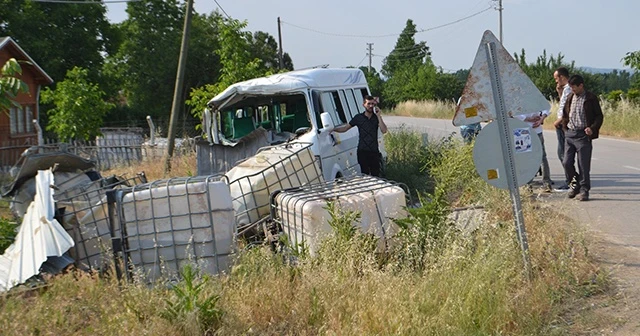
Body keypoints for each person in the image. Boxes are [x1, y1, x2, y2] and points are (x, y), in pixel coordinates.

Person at [561, 74, 604, 201]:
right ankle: (574, 186)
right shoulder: (570, 97)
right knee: (567, 163)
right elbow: (565, 114)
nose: (572, 90)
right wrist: (565, 128)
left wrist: (592, 128)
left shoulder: (590, 98)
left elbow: (599, 116)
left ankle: (584, 190)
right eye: (571, 87)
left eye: (574, 87)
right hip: (570, 134)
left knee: (583, 165)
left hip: (583, 136)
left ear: (581, 85)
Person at [332, 95, 388, 176]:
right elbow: (345, 128)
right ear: (364, 105)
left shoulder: (376, 118)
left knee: (376, 176)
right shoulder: (358, 118)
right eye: (368, 104)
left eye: (372, 104)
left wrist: (379, 116)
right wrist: (333, 129)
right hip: (362, 151)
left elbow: (384, 130)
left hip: (374, 151)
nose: (371, 106)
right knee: (365, 175)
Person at [516, 110, 553, 192]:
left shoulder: (517, 98)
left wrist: (530, 119)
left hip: (523, 131)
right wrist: (541, 118)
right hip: (533, 129)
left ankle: (527, 184)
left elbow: (514, 114)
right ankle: (546, 183)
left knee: (526, 157)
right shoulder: (535, 98)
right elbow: (546, 109)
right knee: (542, 157)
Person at [553, 67, 572, 191]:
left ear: (562, 77)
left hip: (564, 124)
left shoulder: (570, 89)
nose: (556, 81)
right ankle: (571, 179)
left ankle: (570, 181)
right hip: (562, 123)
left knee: (564, 154)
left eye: (556, 78)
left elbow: (568, 108)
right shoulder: (565, 89)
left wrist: (559, 120)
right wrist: (559, 92)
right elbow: (562, 103)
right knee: (563, 153)